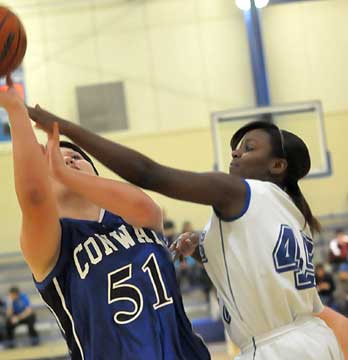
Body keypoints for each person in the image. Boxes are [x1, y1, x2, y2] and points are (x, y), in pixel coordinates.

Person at [28, 106, 348, 359]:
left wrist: (64, 127)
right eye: (236, 147)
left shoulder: (237, 192)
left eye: (248, 148)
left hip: (275, 349)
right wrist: (200, 248)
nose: (235, 153)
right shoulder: (294, 215)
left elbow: (148, 173)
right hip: (316, 340)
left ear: (277, 166)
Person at [2, 80, 210, 359]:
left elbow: (146, 206)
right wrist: (15, 108)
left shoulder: (137, 217)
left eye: (75, 156)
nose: (67, 160)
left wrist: (63, 173)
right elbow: (34, 198)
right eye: (56, 159)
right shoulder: (51, 245)